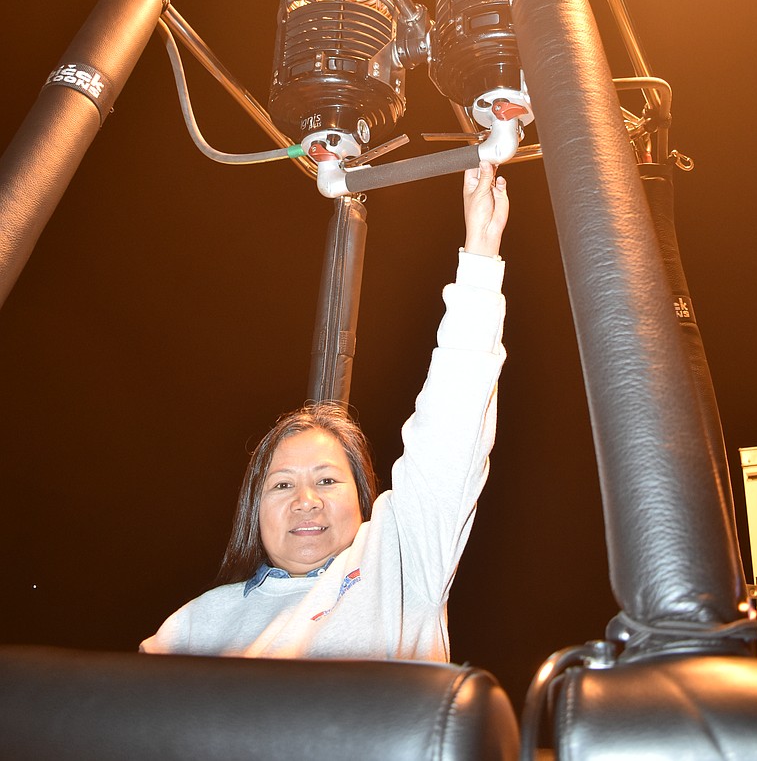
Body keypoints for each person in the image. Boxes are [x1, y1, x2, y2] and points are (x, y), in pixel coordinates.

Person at [141, 160, 509, 661]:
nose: (305, 500)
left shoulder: (398, 566)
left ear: (363, 499)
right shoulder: (196, 628)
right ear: (255, 510)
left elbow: (449, 431)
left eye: (328, 480)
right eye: (282, 484)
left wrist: (481, 261)